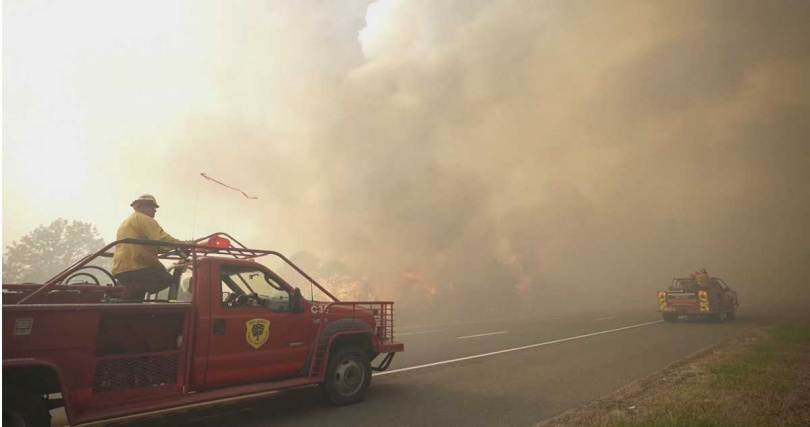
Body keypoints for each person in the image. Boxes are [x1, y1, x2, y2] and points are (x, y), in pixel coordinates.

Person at [112, 194, 191, 300]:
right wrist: (183, 244)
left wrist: (171, 248)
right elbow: (161, 238)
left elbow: (151, 246)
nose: (155, 210)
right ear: (142, 206)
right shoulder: (144, 219)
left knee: (132, 303)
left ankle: (132, 291)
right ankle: (136, 289)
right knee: (166, 279)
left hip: (122, 269)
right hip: (137, 266)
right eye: (152, 207)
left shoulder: (129, 221)